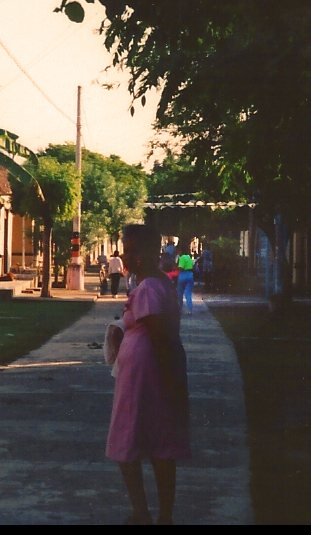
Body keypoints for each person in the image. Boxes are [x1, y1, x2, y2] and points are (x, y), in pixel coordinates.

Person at [107, 224, 191, 525]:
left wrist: (170, 381)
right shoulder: (150, 284)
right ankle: (155, 515)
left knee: (132, 442)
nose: (126, 256)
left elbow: (158, 335)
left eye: (131, 250)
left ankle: (147, 514)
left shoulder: (151, 287)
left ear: (145, 253)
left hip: (146, 376)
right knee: (156, 443)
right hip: (146, 372)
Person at [176, 248, 196, 314]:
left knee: (180, 293)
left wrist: (176, 268)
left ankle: (180, 308)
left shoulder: (182, 258)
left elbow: (181, 267)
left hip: (183, 275)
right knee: (188, 294)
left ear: (181, 251)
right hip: (190, 275)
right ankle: (189, 310)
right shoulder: (189, 257)